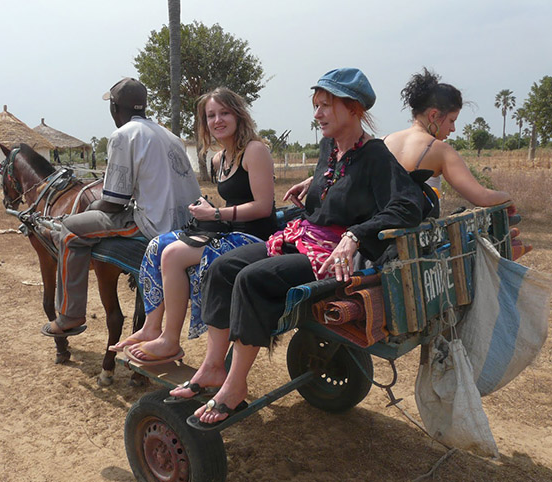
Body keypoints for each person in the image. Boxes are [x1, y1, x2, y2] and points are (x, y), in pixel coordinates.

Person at [169, 68, 425, 425]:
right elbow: (339, 177)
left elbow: (408, 204)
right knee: (223, 268)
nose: (317, 114)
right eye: (316, 105)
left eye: (325, 106)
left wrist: (355, 235)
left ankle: (235, 384)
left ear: (353, 109)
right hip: (303, 237)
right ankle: (213, 366)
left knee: (251, 280)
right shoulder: (330, 149)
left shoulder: (376, 156)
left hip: (333, 255)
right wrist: (315, 183)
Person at [109, 87, 277, 365]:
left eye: (224, 113)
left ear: (238, 115)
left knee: (174, 255)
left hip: (257, 237)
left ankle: (170, 340)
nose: (217, 120)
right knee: (158, 245)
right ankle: (152, 326)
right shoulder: (217, 159)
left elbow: (263, 207)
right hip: (228, 228)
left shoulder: (255, 150)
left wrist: (216, 214)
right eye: (211, 115)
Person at [41, 77, 201, 337]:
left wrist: (92, 205)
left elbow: (115, 202)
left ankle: (69, 315)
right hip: (187, 223)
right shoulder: (170, 136)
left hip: (154, 224)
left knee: (69, 229)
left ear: (114, 108)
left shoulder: (122, 136)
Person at [383, 68, 511, 206]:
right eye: (451, 120)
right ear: (433, 115)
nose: (453, 129)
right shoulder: (440, 150)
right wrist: (507, 197)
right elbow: (482, 197)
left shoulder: (381, 142)